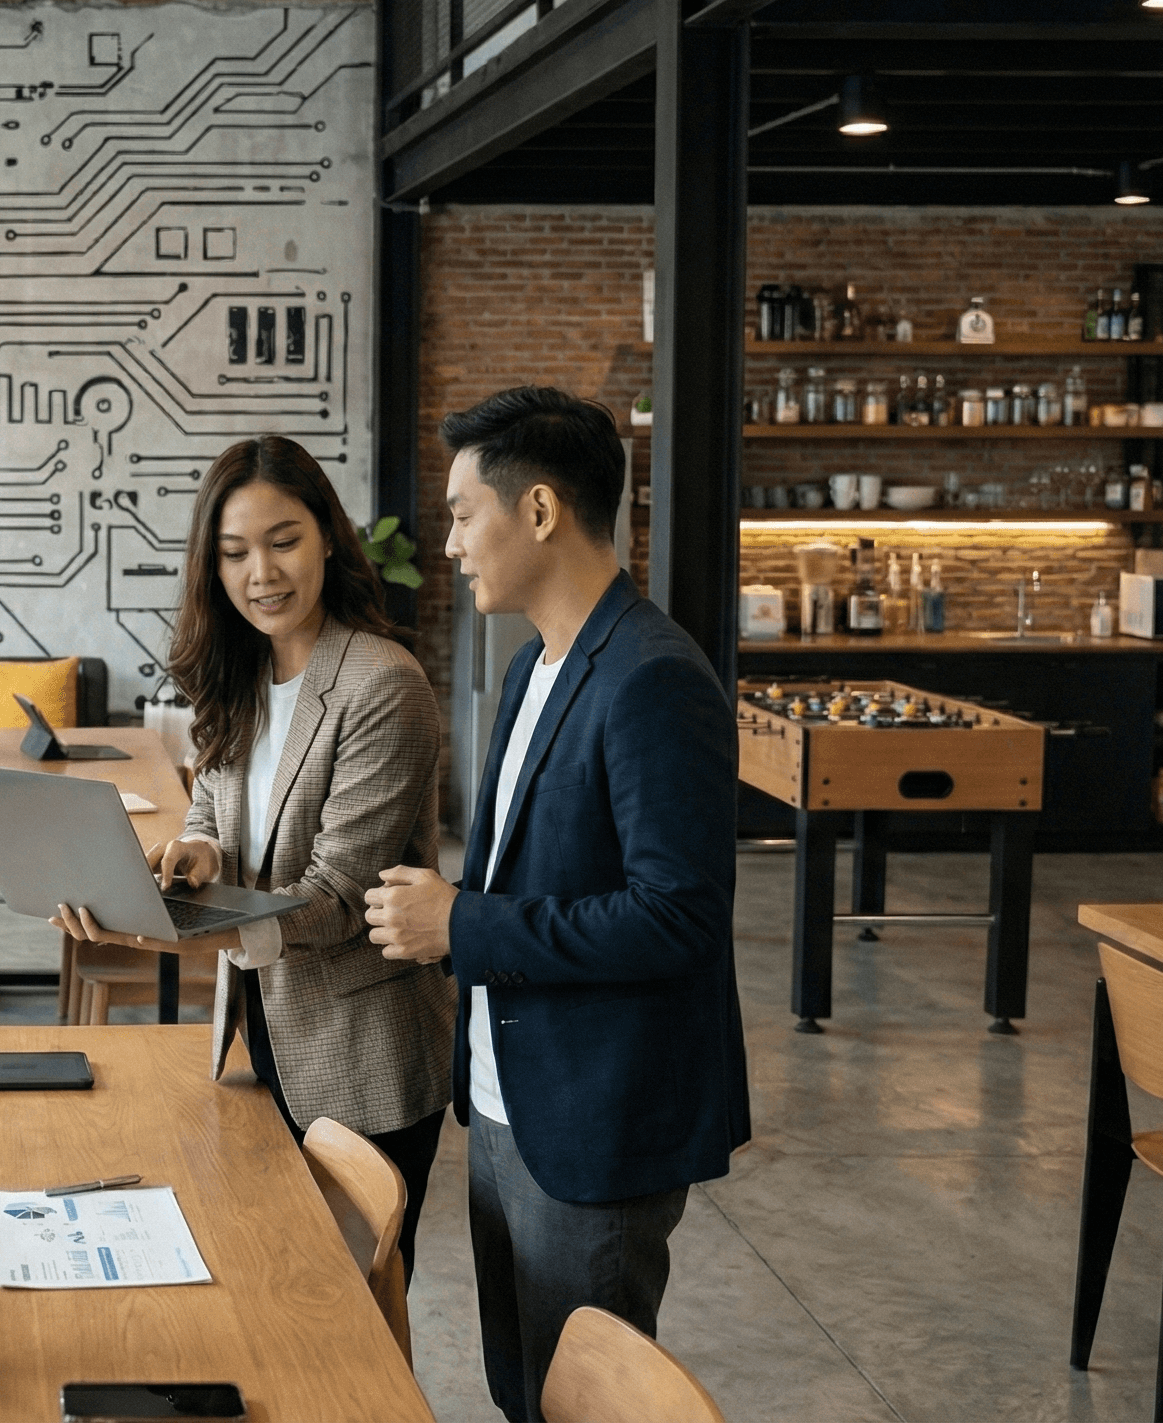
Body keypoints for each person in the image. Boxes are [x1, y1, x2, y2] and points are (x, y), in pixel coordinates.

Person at [363, 386, 747, 1422]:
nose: (447, 543)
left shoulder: (651, 677)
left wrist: (461, 924)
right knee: (518, 1391)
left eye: (459, 513)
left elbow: (678, 917)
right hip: (505, 1099)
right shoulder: (539, 663)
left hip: (594, 1117)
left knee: (584, 1406)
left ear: (536, 512)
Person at [51, 435, 452, 1273]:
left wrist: (172, 924)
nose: (261, 574)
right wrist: (196, 851)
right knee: (281, 1280)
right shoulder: (241, 675)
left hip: (359, 1045)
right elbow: (215, 805)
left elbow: (340, 896)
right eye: (234, 553)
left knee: (347, 1313)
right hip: (261, 1024)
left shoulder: (382, 683)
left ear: (329, 538)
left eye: (284, 541)